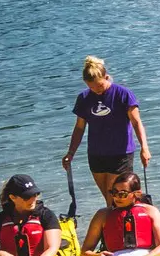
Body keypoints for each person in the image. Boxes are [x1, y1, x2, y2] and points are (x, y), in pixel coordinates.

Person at [62, 57, 150, 205]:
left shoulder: (123, 94)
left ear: (106, 77)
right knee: (110, 200)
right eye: (92, 87)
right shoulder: (84, 98)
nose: (96, 90)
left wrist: (144, 148)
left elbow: (136, 122)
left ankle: (134, 219)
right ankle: (116, 224)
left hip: (121, 154)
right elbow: (79, 128)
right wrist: (70, 153)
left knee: (115, 197)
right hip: (96, 155)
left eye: (100, 85)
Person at [79, 170, 160, 256]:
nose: (116, 197)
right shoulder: (102, 215)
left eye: (122, 194)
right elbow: (84, 253)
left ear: (137, 193)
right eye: (114, 193)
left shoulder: (151, 211)